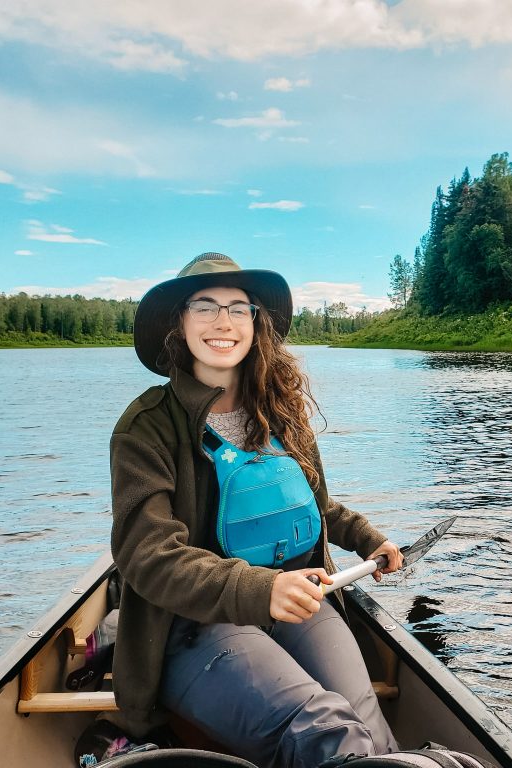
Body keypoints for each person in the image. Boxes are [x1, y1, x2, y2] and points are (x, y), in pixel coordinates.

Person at [105, 252, 402, 768]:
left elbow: (315, 502)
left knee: (369, 730)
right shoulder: (147, 425)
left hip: (301, 601)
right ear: (179, 321)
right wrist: (261, 589)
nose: (223, 322)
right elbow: (147, 557)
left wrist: (367, 538)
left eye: (238, 309)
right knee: (326, 730)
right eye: (205, 306)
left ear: (256, 323)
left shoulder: (280, 410)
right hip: (195, 623)